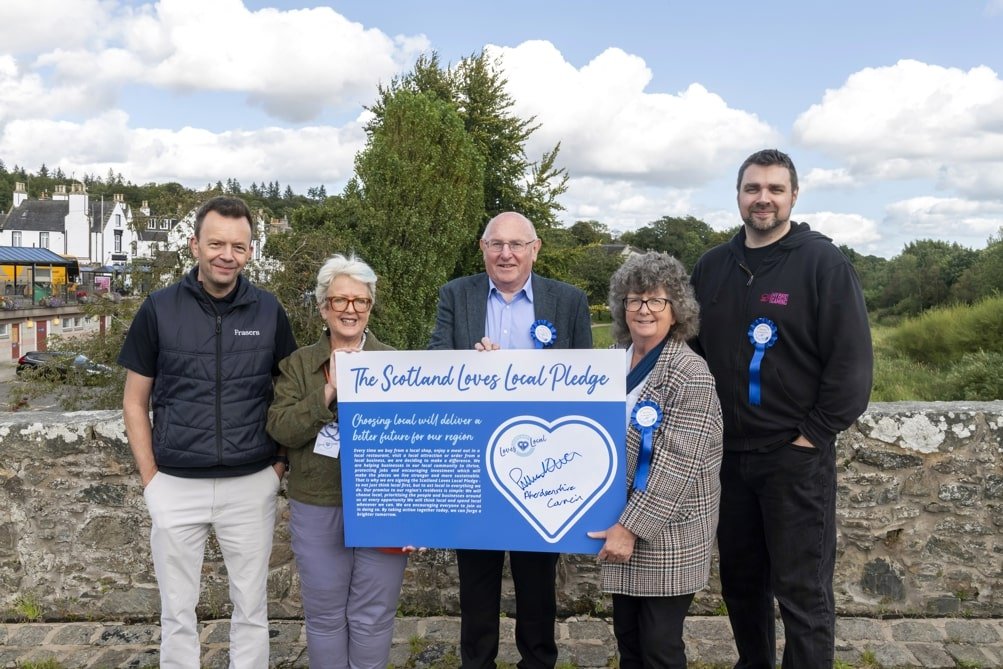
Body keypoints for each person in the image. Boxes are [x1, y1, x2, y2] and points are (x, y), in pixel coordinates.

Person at [689, 149, 873, 668]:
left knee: (803, 594)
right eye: (753, 189)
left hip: (794, 457)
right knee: (742, 586)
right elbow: (689, 355)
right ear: (739, 195)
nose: (762, 199)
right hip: (728, 459)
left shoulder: (823, 262)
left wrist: (810, 438)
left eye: (774, 189)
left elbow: (852, 367)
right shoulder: (712, 266)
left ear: (794, 195)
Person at [118, 195, 298, 668]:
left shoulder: (269, 310)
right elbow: (135, 401)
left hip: (251, 481)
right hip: (175, 484)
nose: (226, 254)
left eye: (238, 246)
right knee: (176, 609)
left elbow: (286, 394)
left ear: (251, 251)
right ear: (195, 244)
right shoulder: (158, 309)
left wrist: (278, 466)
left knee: (251, 607)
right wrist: (151, 479)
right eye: (216, 243)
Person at [428, 211, 593, 669]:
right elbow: (435, 359)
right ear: (482, 249)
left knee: (537, 581)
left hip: (543, 469)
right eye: (496, 244)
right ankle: (475, 663)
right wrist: (469, 364)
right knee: (475, 580)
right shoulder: (455, 295)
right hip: (475, 464)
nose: (506, 253)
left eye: (516, 244)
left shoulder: (570, 300)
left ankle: (538, 662)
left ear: (535, 249)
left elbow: (585, 381)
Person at [267, 253, 409, 669]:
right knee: (326, 617)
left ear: (370, 306)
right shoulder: (297, 365)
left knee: (373, 616)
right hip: (317, 503)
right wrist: (327, 393)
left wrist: (416, 515)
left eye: (359, 301)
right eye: (339, 300)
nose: (350, 310)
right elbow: (282, 429)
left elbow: (420, 441)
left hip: (383, 508)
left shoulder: (397, 364)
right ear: (322, 306)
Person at [587, 252, 723, 669]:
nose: (644, 309)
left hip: (667, 535)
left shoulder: (691, 372)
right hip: (619, 523)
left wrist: (629, 528)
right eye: (634, 300)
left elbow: (677, 467)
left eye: (656, 301)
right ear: (621, 307)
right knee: (628, 641)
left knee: (660, 648)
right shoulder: (611, 359)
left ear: (676, 309)